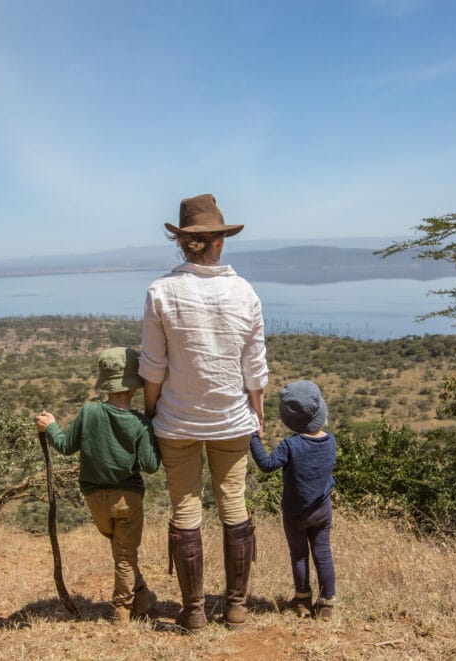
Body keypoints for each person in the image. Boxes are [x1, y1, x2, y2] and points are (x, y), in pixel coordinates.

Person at [139, 193, 269, 631]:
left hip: (177, 421)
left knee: (186, 511)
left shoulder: (161, 292)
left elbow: (153, 368)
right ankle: (236, 607)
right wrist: (258, 414)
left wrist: (152, 413)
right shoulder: (244, 291)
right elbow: (255, 370)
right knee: (234, 507)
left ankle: (193, 611)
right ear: (220, 242)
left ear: (183, 242)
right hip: (232, 419)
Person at [35, 347, 161, 625]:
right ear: (134, 385)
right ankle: (122, 612)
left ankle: (143, 597)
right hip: (129, 498)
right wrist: (156, 431)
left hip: (95, 499)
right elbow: (151, 465)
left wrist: (51, 426)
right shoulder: (140, 423)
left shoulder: (89, 412)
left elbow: (67, 446)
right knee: (125, 556)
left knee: (121, 552)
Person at [249, 380, 337, 620]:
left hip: (295, 513)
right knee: (323, 553)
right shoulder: (330, 441)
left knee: (299, 555)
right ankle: (327, 603)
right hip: (322, 509)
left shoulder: (290, 445)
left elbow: (267, 465)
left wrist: (252, 437)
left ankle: (302, 601)